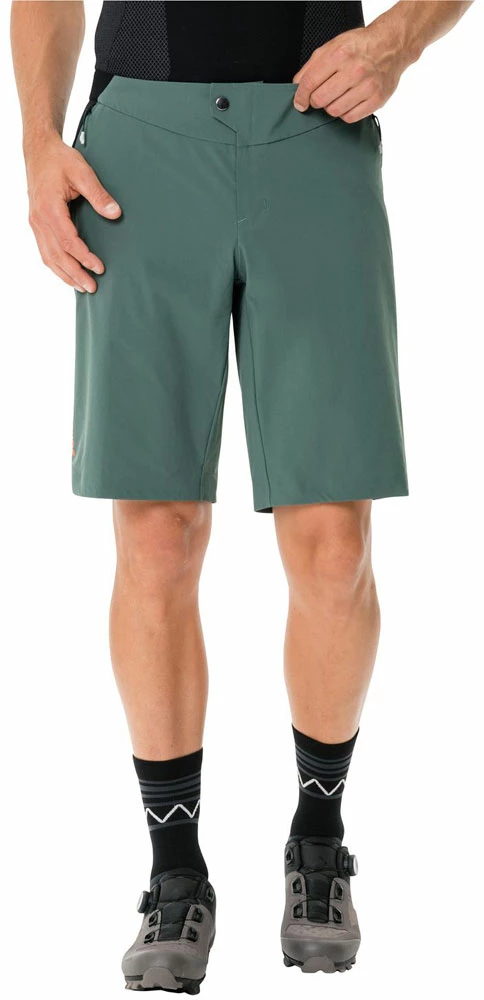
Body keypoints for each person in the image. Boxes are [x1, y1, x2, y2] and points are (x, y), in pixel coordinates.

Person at [12, 0, 472, 992]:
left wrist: (398, 39)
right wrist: (39, 143)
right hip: (137, 146)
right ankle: (174, 870)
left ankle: (319, 842)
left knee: (334, 544)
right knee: (157, 537)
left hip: (317, 128)